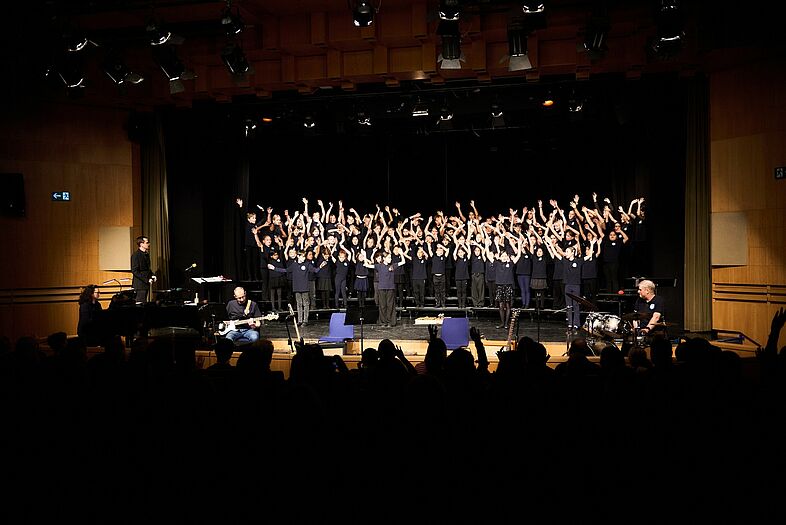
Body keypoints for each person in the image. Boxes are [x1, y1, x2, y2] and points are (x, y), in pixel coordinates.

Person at [131, 235, 155, 303]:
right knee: (140, 303)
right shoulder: (136, 255)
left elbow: (147, 269)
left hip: (145, 284)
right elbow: (135, 271)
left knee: (144, 303)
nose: (148, 244)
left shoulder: (146, 254)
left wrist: (152, 275)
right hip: (140, 285)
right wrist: (147, 279)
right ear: (141, 244)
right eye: (147, 243)